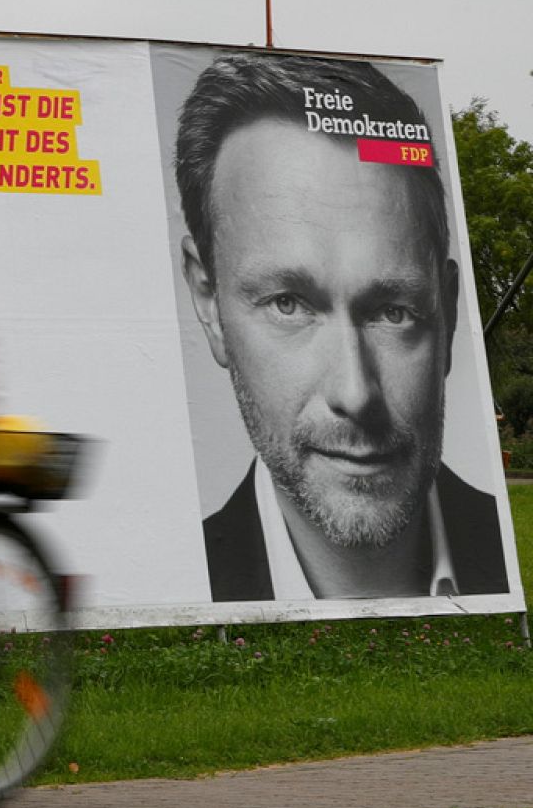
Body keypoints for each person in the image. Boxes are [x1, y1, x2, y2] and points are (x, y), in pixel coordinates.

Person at [174, 52, 506, 602]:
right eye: (288, 304)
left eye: (393, 312)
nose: (355, 392)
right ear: (209, 303)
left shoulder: (499, 547)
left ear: (445, 313)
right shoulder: (180, 577)